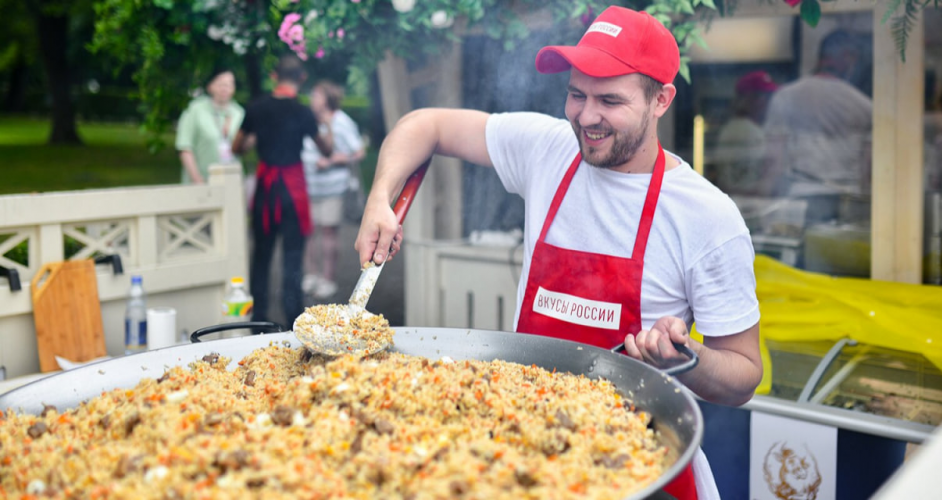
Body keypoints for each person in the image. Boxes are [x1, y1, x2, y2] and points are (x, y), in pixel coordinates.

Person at [355, 7, 762, 499]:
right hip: (528, 457)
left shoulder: (707, 217)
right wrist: (380, 198)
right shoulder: (547, 150)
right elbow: (425, 124)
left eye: (610, 100)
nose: (586, 116)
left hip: (638, 465)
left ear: (661, 99)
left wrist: (688, 356)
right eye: (576, 94)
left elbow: (743, 375)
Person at [231, 55, 333, 328]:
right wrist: (326, 123)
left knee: (261, 255)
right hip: (292, 190)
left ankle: (259, 318)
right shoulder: (303, 112)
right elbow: (326, 149)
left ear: (274, 76)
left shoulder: (256, 107)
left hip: (266, 189)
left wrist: (255, 140)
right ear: (301, 79)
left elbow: (237, 147)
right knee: (292, 256)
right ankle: (293, 318)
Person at [763, 30, 873, 223]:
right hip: (850, 200)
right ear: (848, 57)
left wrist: (767, 201)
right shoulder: (864, 105)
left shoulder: (787, 96)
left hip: (803, 198)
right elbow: (869, 168)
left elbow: (774, 160)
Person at [302, 80, 366, 299]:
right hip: (309, 187)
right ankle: (312, 275)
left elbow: (358, 152)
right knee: (309, 232)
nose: (312, 100)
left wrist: (331, 162)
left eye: (316, 96)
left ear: (328, 98)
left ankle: (328, 279)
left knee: (328, 232)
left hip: (332, 189)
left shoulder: (341, 121)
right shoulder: (310, 120)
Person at [712, 70, 779, 195]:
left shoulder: (734, 127)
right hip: (747, 206)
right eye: (766, 97)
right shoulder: (749, 132)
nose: (770, 103)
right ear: (752, 99)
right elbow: (753, 185)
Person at [175, 69, 244, 184]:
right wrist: (197, 180)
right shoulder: (195, 110)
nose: (225, 88)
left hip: (232, 182)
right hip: (201, 181)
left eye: (229, 84)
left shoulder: (239, 113)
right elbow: (185, 147)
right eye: (221, 84)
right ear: (210, 86)